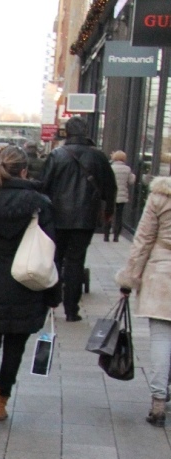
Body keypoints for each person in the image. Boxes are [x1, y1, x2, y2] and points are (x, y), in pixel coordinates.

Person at [0, 146, 60, 428]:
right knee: (15, 345)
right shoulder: (39, 204)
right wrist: (55, 292)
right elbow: (51, 251)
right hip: (27, 283)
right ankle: (2, 401)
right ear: (23, 171)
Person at [40, 116, 117, 321]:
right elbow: (110, 188)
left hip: (57, 217)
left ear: (67, 132)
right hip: (85, 218)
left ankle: (51, 301)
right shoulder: (98, 157)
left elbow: (44, 185)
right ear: (85, 131)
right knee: (75, 261)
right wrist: (108, 212)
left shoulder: (57, 155)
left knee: (55, 258)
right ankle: (71, 309)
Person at [116, 175, 171, 427]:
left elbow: (143, 240)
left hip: (163, 272)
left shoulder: (161, 195)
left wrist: (130, 278)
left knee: (162, 337)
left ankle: (158, 401)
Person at [107, 150, 134, 242]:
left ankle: (106, 235)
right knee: (119, 215)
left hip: (111, 195)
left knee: (109, 213)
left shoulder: (110, 167)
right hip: (122, 195)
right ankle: (116, 236)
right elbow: (131, 181)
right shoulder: (127, 169)